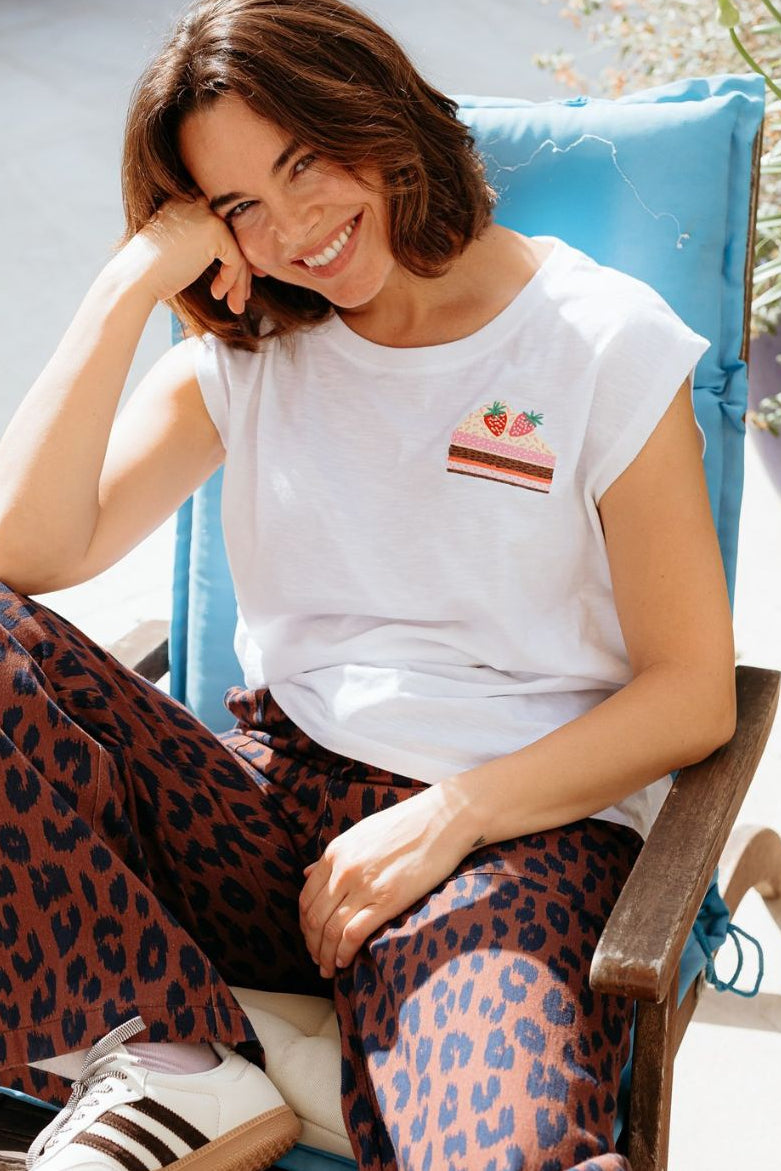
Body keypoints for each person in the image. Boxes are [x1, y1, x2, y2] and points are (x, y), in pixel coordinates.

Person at [0, 0, 736, 1168]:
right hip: (268, 811)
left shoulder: (595, 340)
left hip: (509, 837)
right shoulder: (250, 357)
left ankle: (279, 1054)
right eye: (240, 204)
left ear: (375, 113)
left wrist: (454, 815)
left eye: (304, 162)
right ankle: (184, 1062)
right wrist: (128, 284)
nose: (295, 229)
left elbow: (694, 691)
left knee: (506, 1152)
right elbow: (26, 555)